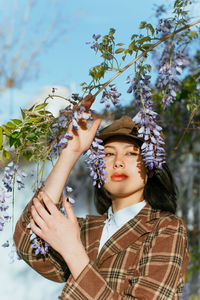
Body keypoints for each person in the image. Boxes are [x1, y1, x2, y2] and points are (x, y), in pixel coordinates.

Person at [14, 113, 189, 300]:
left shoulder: (166, 227)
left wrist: (73, 250)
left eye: (131, 153)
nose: (118, 162)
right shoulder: (86, 229)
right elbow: (28, 241)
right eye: (108, 154)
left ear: (150, 166)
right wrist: (69, 154)